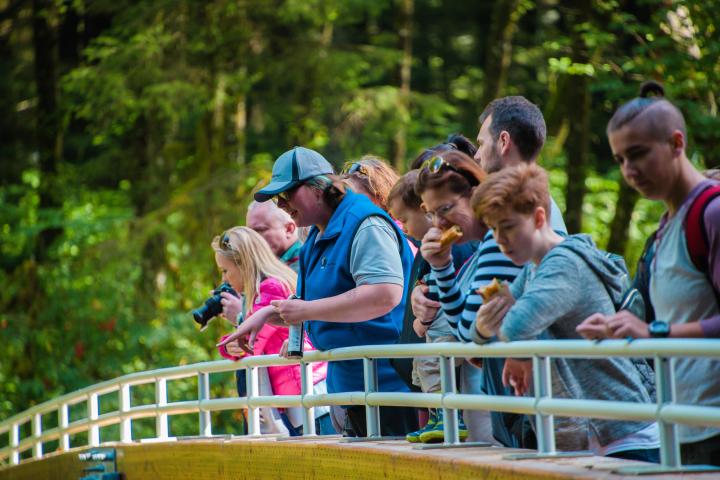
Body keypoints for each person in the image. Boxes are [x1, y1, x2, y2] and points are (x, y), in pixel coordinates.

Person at [220, 146, 418, 437]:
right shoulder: (316, 234)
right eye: (278, 197)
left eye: (288, 193)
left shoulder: (365, 223)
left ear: (319, 187)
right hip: (348, 387)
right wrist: (265, 315)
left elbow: (385, 294)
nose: (282, 203)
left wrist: (307, 311)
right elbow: (309, 304)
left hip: (385, 386)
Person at [471, 163, 659, 461]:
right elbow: (484, 339)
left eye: (507, 226)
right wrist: (483, 329)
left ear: (539, 217)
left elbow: (515, 326)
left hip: (622, 433)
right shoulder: (536, 268)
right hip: (590, 435)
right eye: (493, 229)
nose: (500, 239)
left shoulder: (563, 264)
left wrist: (515, 351)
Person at [576, 81, 720, 466]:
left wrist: (655, 332)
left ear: (677, 144)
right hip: (681, 425)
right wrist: (619, 326)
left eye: (637, 154)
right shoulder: (665, 226)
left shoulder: (711, 213)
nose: (629, 170)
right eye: (620, 159)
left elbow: (670, 327)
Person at [414, 149, 531, 447]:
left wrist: (443, 269)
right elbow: (464, 330)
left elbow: (468, 337)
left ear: (476, 194)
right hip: (513, 401)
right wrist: (441, 267)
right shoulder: (484, 244)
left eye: (445, 208)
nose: (437, 223)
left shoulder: (499, 240)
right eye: (430, 212)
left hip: (530, 397)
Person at [211, 226, 331, 436]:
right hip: (302, 395)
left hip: (309, 395)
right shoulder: (267, 288)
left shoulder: (271, 288)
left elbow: (251, 341)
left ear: (243, 264)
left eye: (225, 271)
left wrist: (228, 345)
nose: (224, 280)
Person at [387, 169, 475, 443]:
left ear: (425, 211)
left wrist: (424, 320)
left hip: (446, 324)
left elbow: (446, 286)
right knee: (424, 367)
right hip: (437, 324)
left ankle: (449, 417)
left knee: (433, 365)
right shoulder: (430, 245)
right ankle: (439, 416)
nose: (403, 228)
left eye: (404, 220)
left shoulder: (453, 243)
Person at [474, 95, 567, 232]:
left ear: (504, 141)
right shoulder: (542, 208)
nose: (476, 156)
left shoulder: (516, 213)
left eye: (481, 144)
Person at [246, 200, 303, 272]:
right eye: (249, 233)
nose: (252, 239)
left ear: (289, 229)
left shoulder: (305, 262)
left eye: (260, 230)